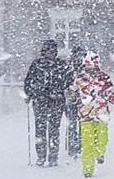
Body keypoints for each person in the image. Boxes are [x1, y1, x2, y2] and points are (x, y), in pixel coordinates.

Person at [70, 51, 114, 178]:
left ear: (97, 65)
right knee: (87, 144)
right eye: (87, 66)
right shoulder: (80, 78)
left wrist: (113, 98)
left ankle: (100, 153)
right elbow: (73, 91)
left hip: (101, 113)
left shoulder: (104, 77)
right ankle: (88, 170)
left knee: (102, 139)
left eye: (91, 66)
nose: (89, 69)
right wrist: (71, 96)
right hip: (85, 115)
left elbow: (110, 91)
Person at [24, 39, 70, 167]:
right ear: (44, 51)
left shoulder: (61, 65)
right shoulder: (36, 64)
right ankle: (41, 156)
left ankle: (53, 156)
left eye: (53, 50)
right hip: (40, 102)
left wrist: (64, 92)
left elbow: (68, 82)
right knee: (40, 130)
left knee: (54, 130)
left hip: (57, 102)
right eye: (48, 50)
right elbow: (28, 82)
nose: (51, 52)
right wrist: (31, 94)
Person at [64, 46, 86, 160]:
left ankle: (83, 145)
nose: (78, 58)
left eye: (81, 56)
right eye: (76, 55)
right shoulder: (68, 69)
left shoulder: (87, 69)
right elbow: (64, 83)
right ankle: (73, 147)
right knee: (72, 125)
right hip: (71, 101)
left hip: (85, 102)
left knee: (84, 125)